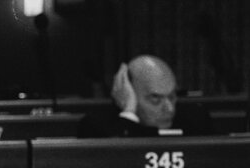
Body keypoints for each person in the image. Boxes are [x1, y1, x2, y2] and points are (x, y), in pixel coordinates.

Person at [78, 55, 213, 137]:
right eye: (155, 98)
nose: (170, 109)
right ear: (128, 92)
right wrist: (129, 111)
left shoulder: (196, 119)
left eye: (172, 96)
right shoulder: (96, 127)